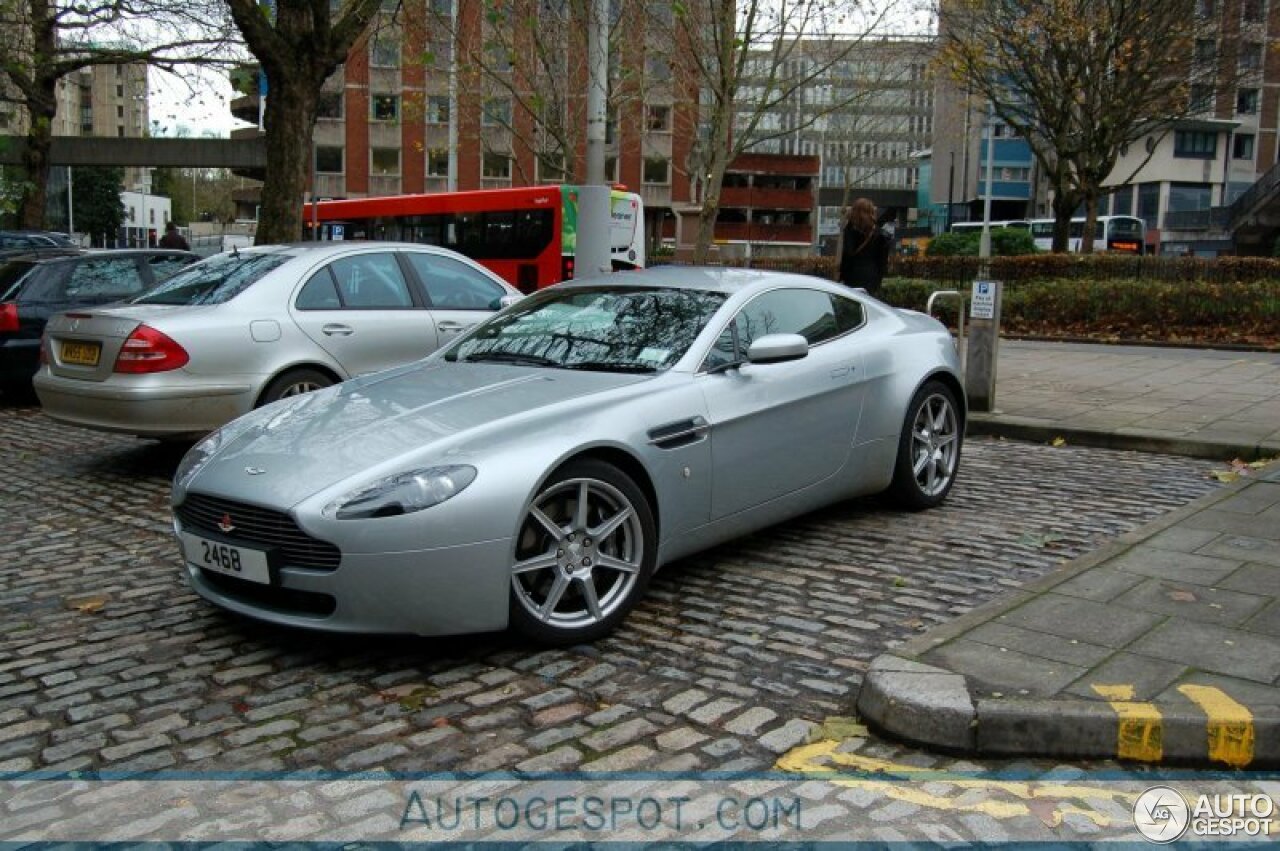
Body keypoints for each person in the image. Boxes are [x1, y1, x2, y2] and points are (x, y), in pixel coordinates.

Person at [838, 198, 890, 295]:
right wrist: (878, 280)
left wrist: (841, 276)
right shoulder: (880, 234)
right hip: (872, 277)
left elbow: (847, 254)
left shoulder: (850, 230)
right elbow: (882, 262)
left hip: (852, 276)